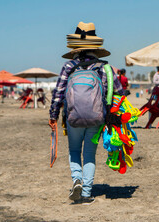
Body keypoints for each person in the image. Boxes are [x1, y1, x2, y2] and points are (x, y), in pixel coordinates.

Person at [49, 22, 124, 205]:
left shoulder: (69, 66)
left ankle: (77, 180)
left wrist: (53, 115)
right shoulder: (105, 67)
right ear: (96, 48)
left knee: (74, 150)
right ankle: (87, 193)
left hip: (73, 118)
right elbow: (119, 93)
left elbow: (58, 93)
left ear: (75, 47)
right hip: (97, 118)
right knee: (89, 153)